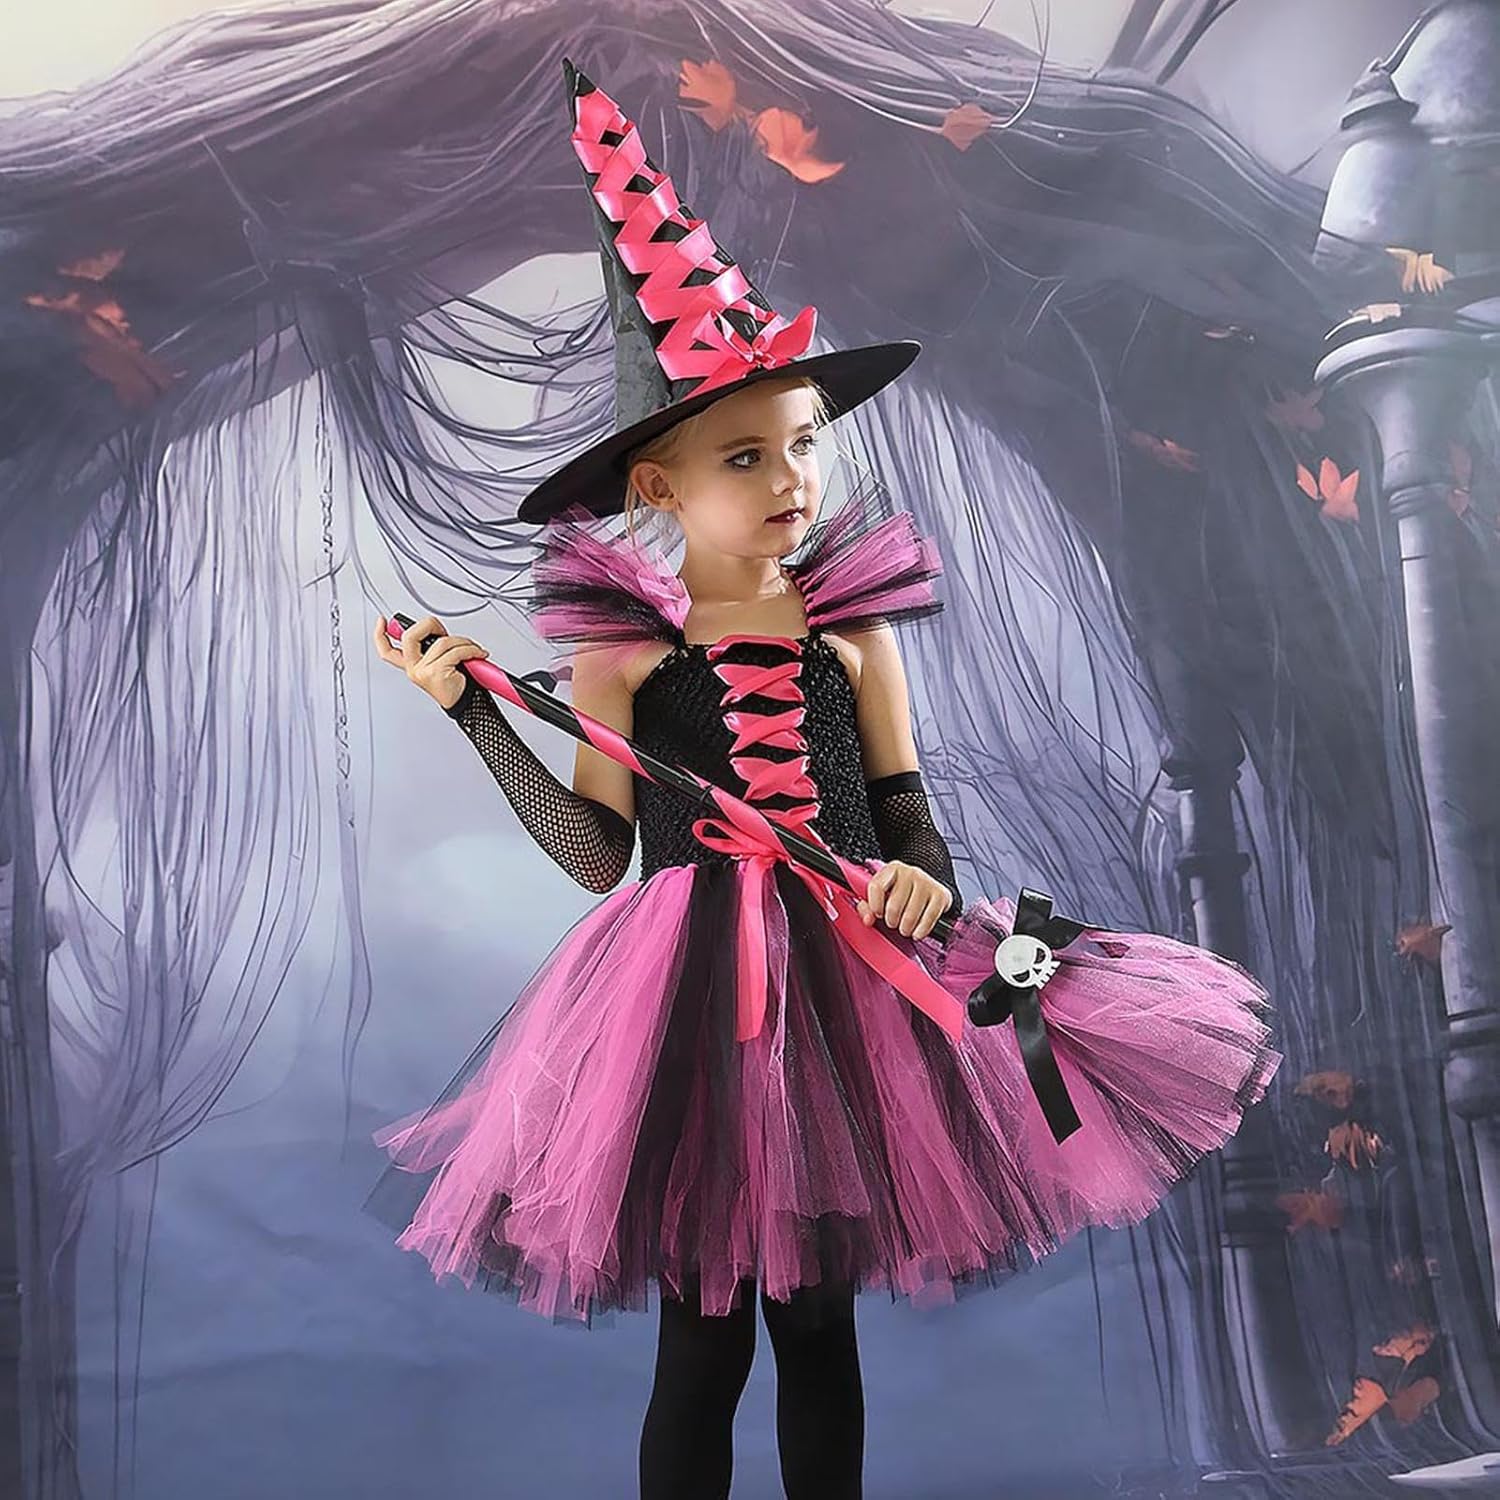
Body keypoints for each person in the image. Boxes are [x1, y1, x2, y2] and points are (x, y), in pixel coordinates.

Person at [366, 60, 1279, 1500]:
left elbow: (904, 810)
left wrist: (922, 878)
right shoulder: (623, 653)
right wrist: (477, 716)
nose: (790, 480)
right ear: (658, 487)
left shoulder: (854, 632)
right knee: (703, 1339)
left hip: (852, 988)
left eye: (802, 445)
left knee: (818, 1329)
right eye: (746, 456)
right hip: (685, 998)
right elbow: (601, 857)